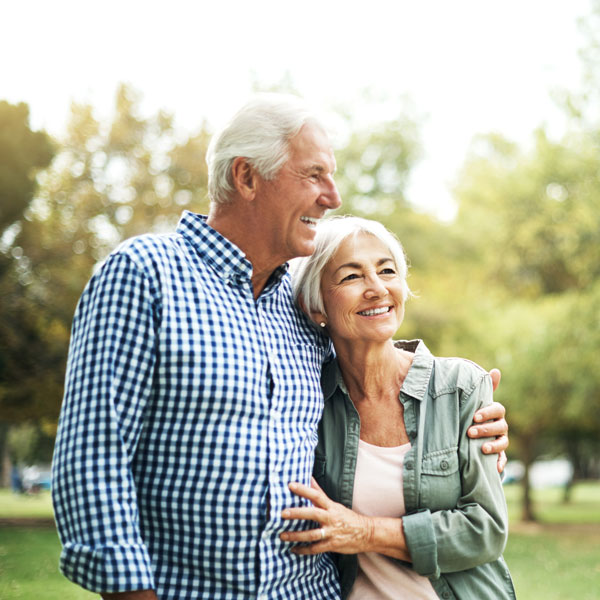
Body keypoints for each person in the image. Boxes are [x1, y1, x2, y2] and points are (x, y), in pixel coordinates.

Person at [52, 95, 509, 600]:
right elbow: (94, 460)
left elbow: (371, 366)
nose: (332, 197)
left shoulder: (295, 298)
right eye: (313, 175)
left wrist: (459, 414)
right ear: (247, 177)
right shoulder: (145, 273)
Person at [280, 216, 516, 599]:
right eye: (351, 277)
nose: (377, 289)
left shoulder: (460, 387)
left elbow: (485, 530)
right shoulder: (307, 398)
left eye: (387, 271)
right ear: (315, 305)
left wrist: (363, 531)